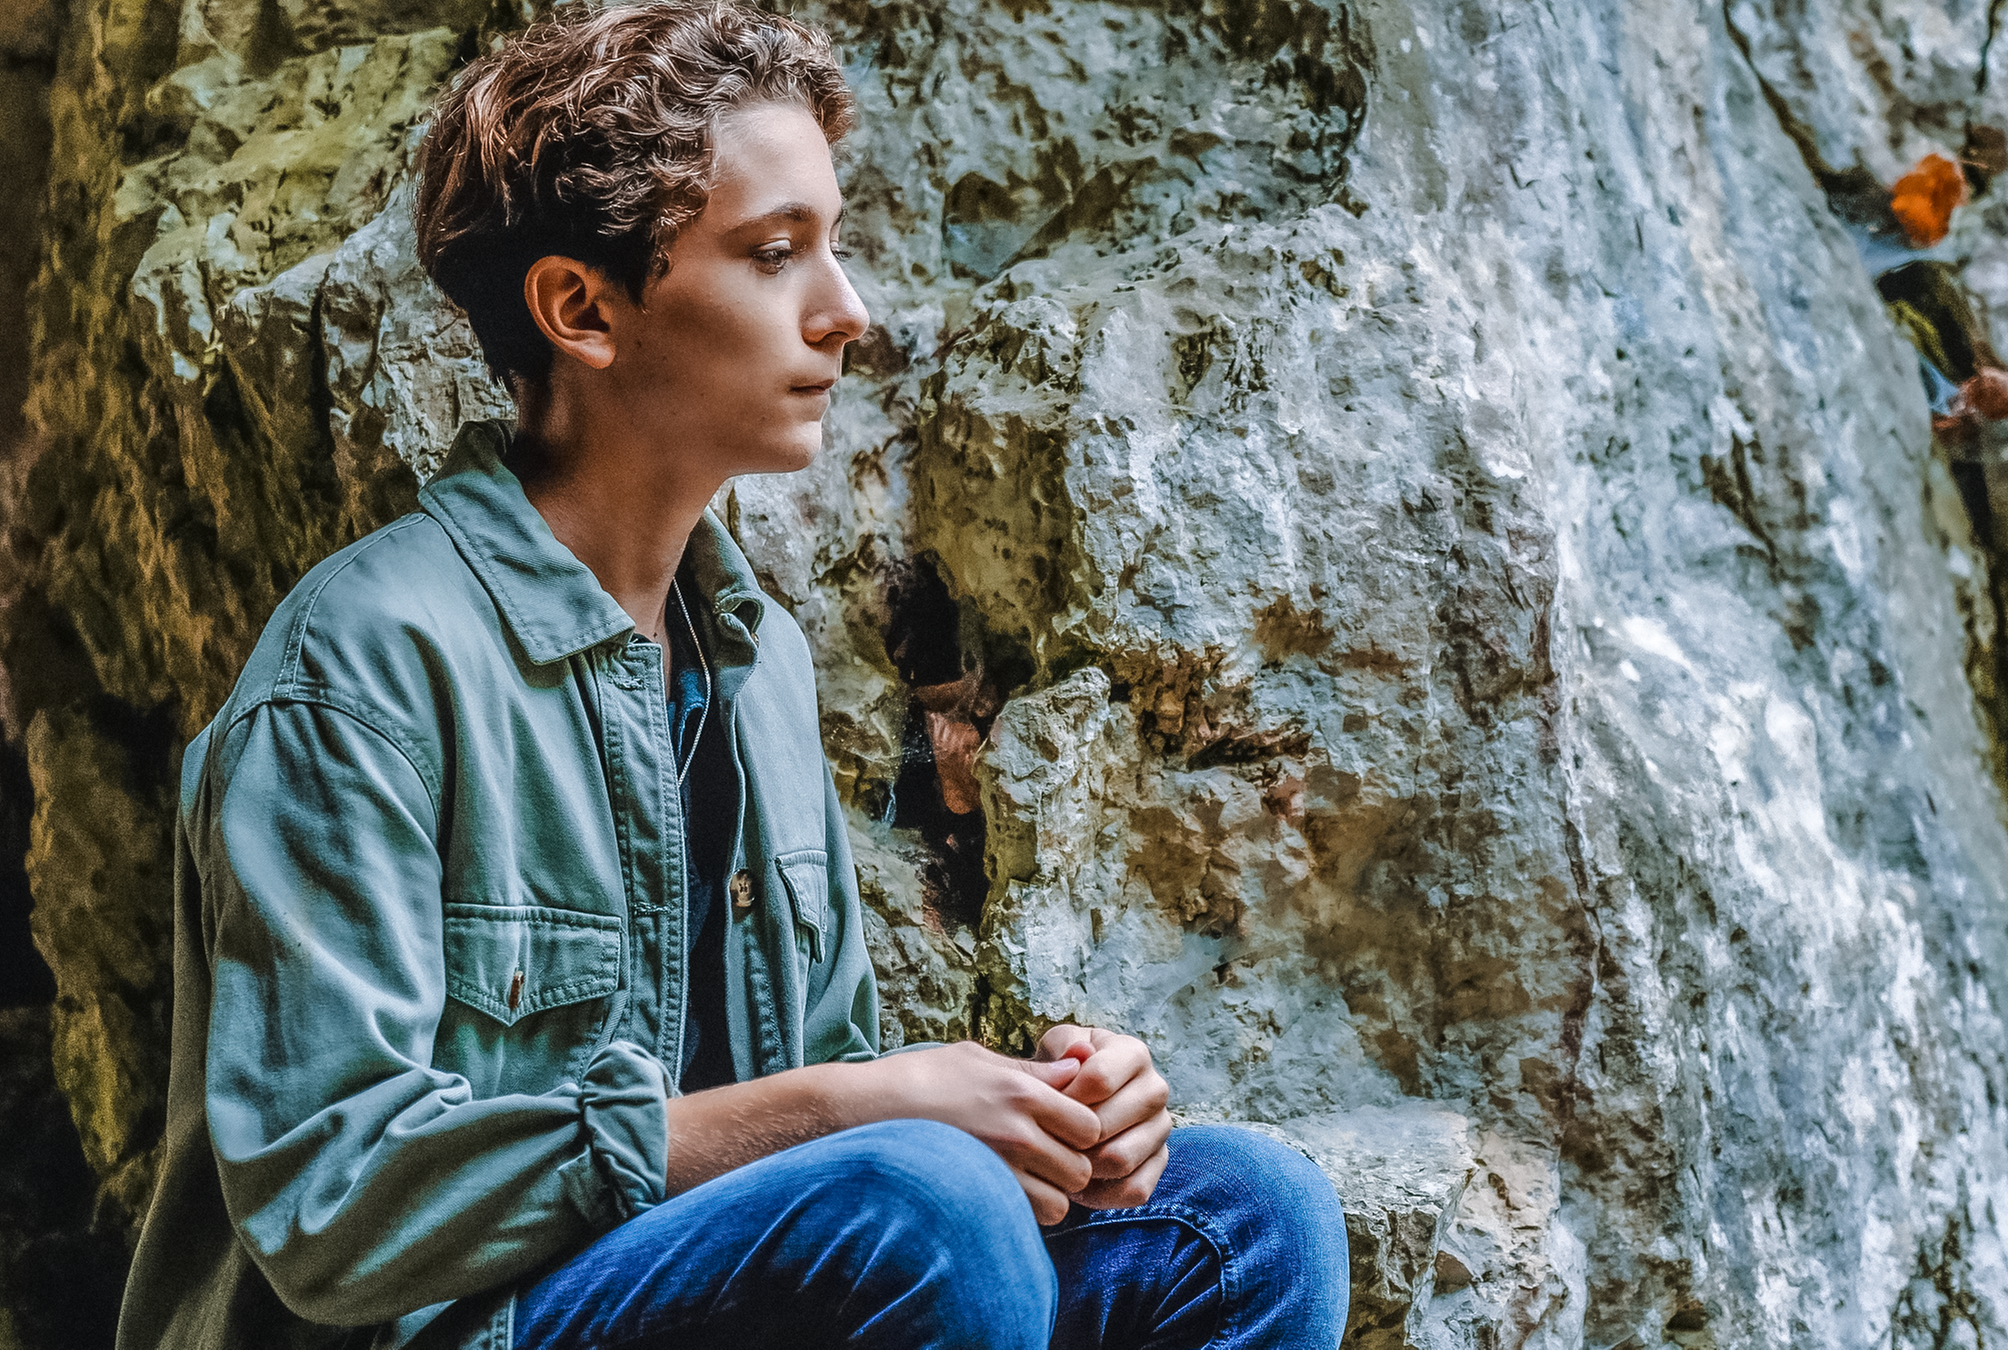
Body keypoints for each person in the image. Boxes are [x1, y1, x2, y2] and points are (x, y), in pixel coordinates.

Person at [111, 4, 1352, 1347]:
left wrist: (1047, 1108)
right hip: (436, 1328)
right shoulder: (363, 669)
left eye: (834, 241)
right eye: (775, 255)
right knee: (924, 1202)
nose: (847, 311)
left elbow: (825, 1122)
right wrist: (862, 1112)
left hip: (689, 1293)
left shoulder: (749, 665)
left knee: (1248, 1220)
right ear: (582, 308)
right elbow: (334, 1204)